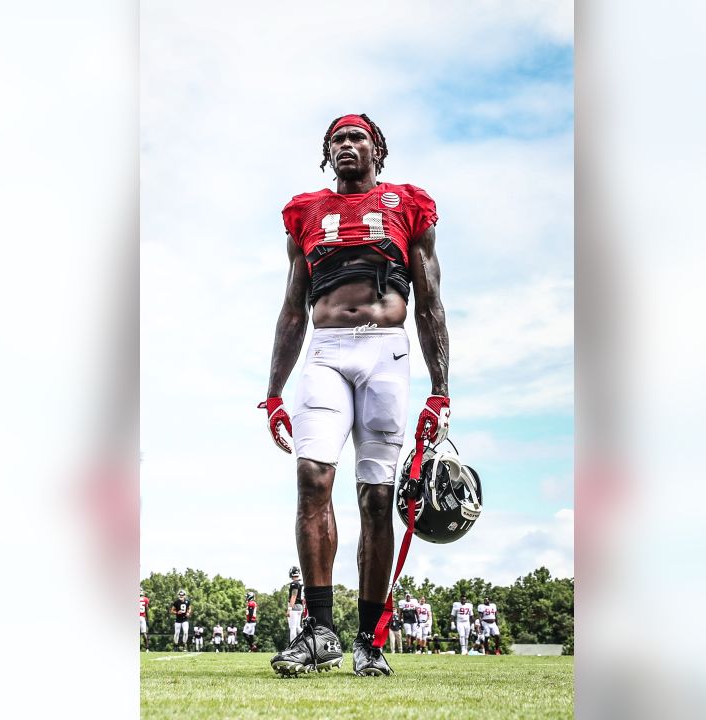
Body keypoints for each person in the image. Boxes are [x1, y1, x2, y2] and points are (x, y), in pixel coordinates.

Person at [260, 113, 451, 678]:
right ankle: (320, 632)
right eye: (337, 139)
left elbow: (431, 303)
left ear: (378, 149)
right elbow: (293, 307)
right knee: (313, 476)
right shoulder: (307, 212)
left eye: (356, 138)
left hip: (386, 351)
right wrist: (272, 392)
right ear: (327, 153)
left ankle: (369, 638)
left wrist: (441, 391)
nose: (347, 145)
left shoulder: (407, 205)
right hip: (325, 350)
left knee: (376, 495)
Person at [286, 566, 305, 642]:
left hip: (294, 607)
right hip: (300, 607)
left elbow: (293, 596)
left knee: (293, 628)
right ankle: (307, 637)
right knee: (297, 627)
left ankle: (292, 646)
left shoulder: (294, 583)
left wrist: (289, 609)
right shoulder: (300, 583)